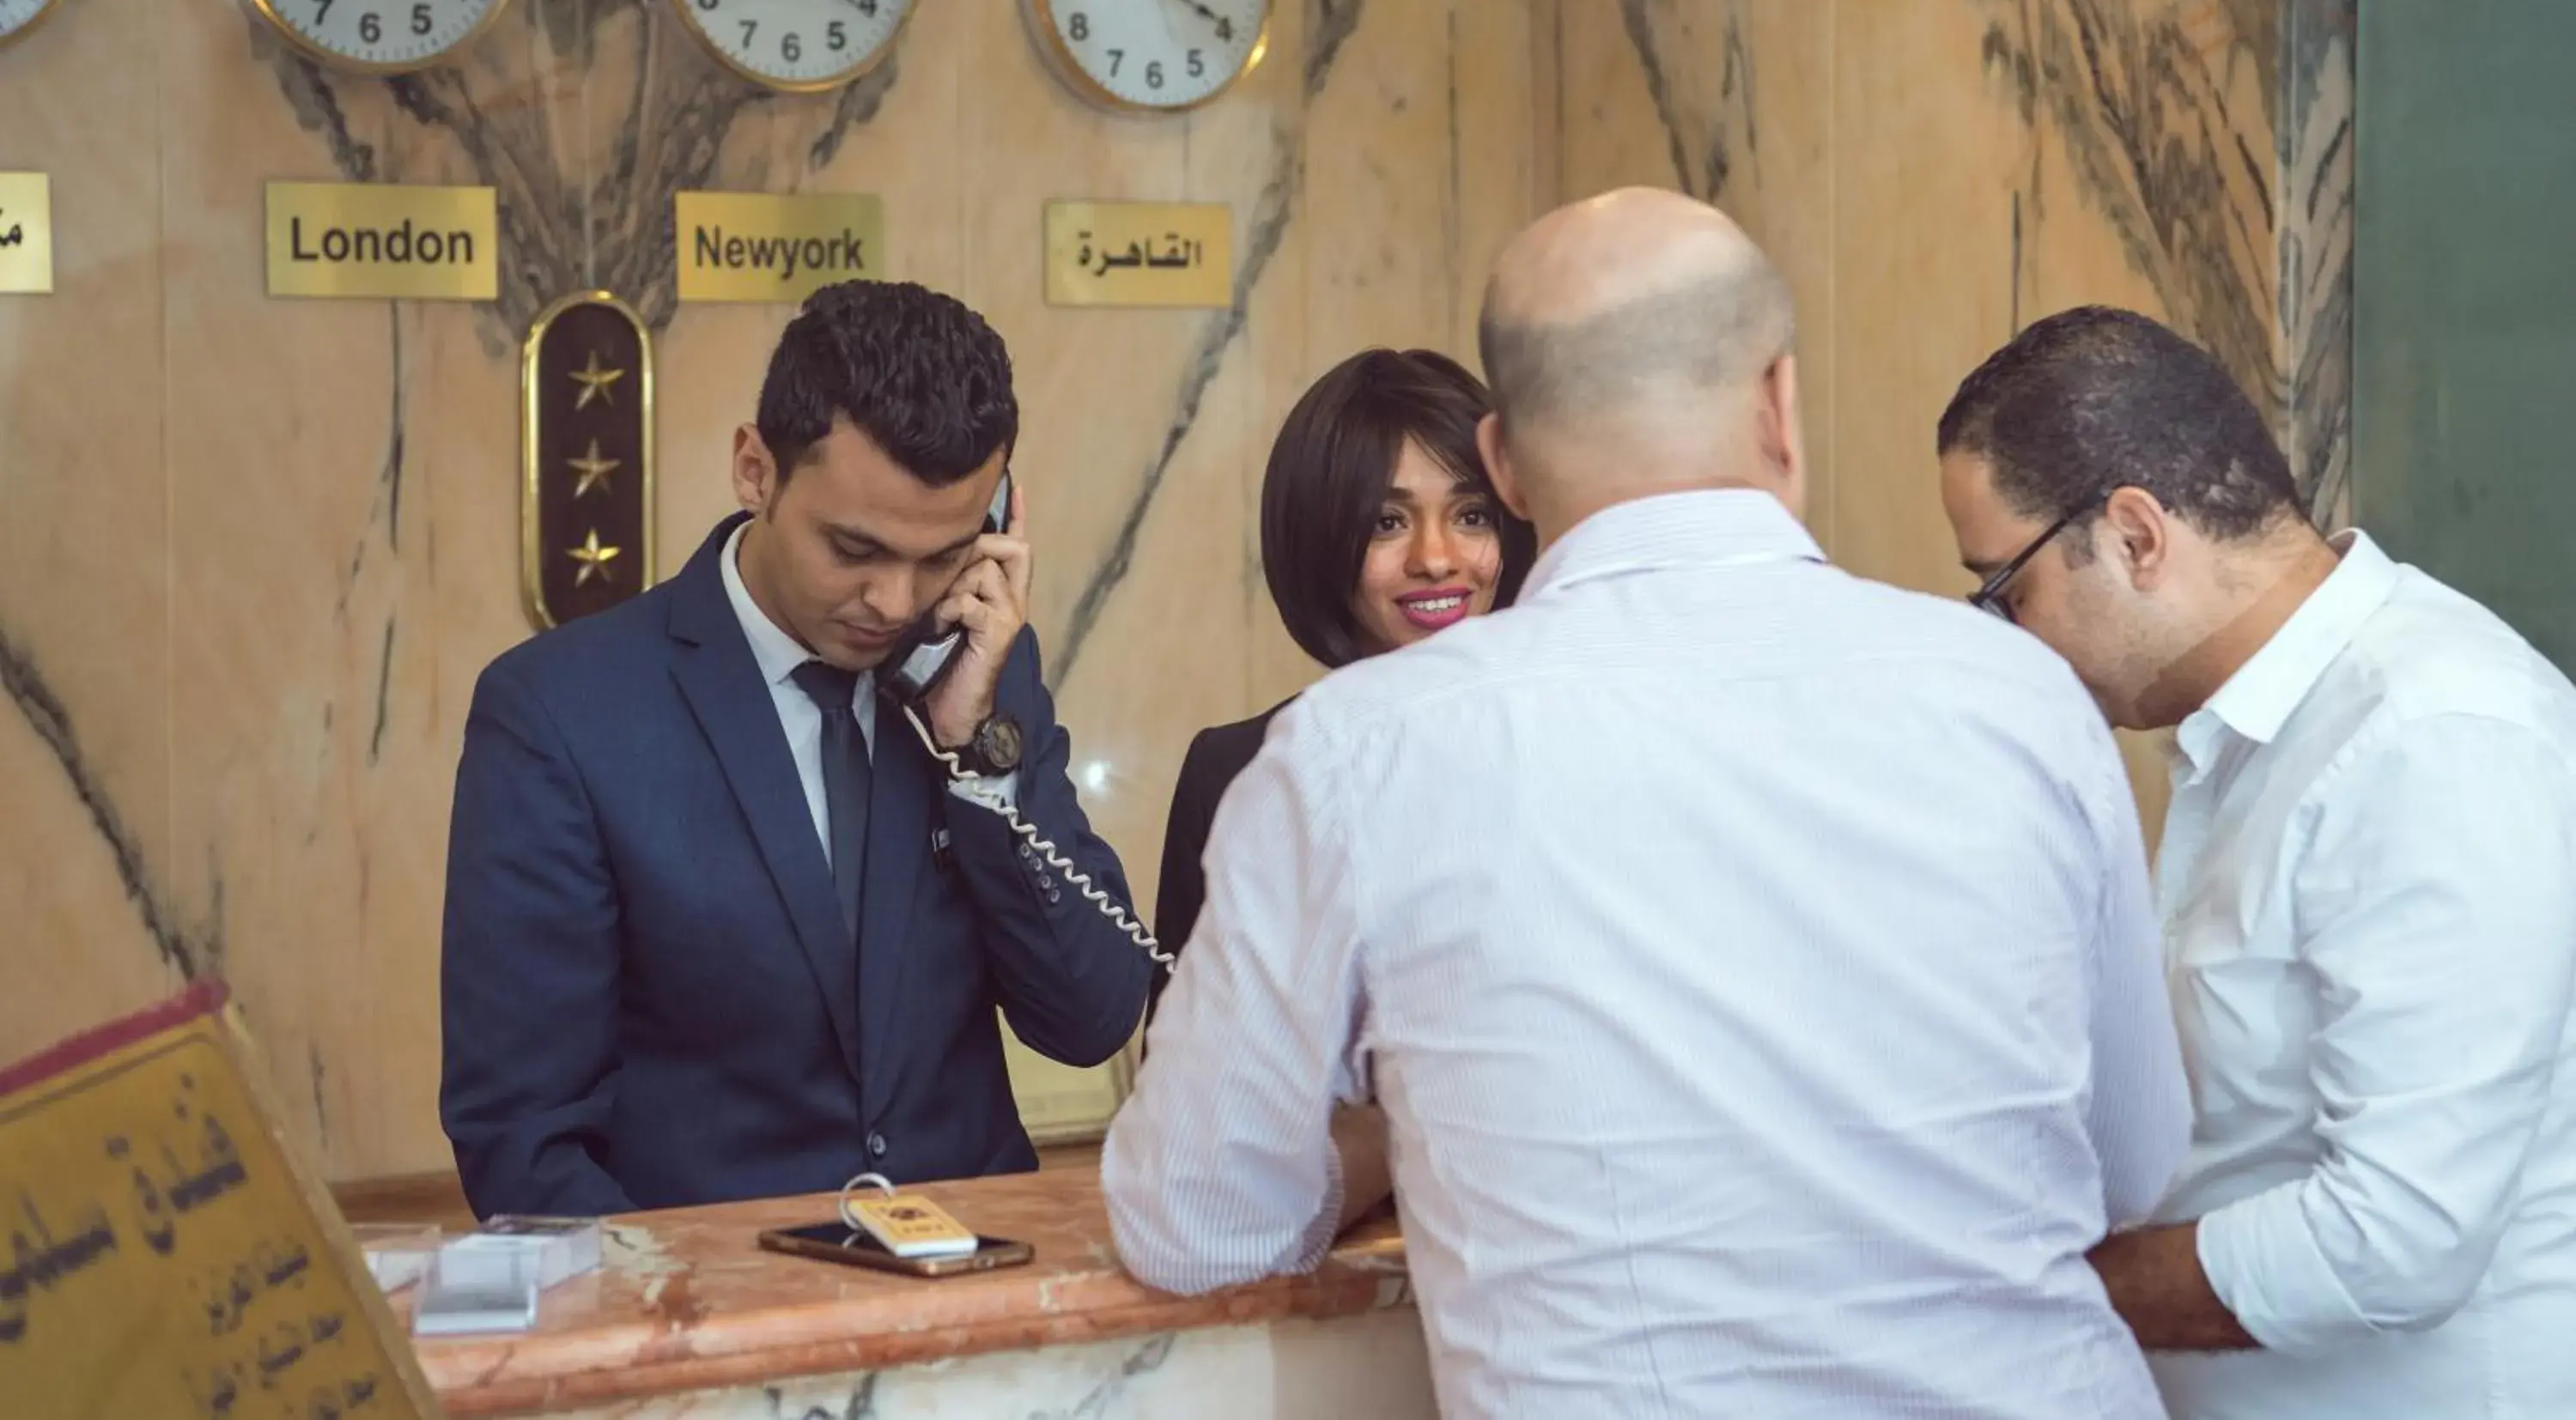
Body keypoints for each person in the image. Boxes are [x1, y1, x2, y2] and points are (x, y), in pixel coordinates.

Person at [1103, 188, 2190, 1419]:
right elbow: (2132, 1165)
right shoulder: (2023, 697)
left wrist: (1398, 1137)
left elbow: (1193, 1221)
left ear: (1503, 464)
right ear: (1781, 404)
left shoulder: (1355, 752)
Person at [1936, 305, 2576, 1420]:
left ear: (2137, 535)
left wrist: (2049, 1286)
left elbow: (2396, 1238)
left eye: (2005, 591)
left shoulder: (2431, 733)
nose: (2011, 642)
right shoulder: (2254, 735)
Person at [442, 280, 1152, 1216]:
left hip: (977, 1297)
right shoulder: (560, 713)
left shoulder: (978, 687)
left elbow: (1090, 1017)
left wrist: (980, 753)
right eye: (853, 548)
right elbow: (524, 1140)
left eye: (942, 555)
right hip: (708, 1316)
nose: (896, 603)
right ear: (755, 470)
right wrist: (698, 1324)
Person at [1151, 349, 1535, 1004]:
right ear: (1321, 538)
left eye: (1472, 515)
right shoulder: (1241, 769)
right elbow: (1188, 1075)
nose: (1437, 559)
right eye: (1388, 523)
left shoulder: (1572, 737)